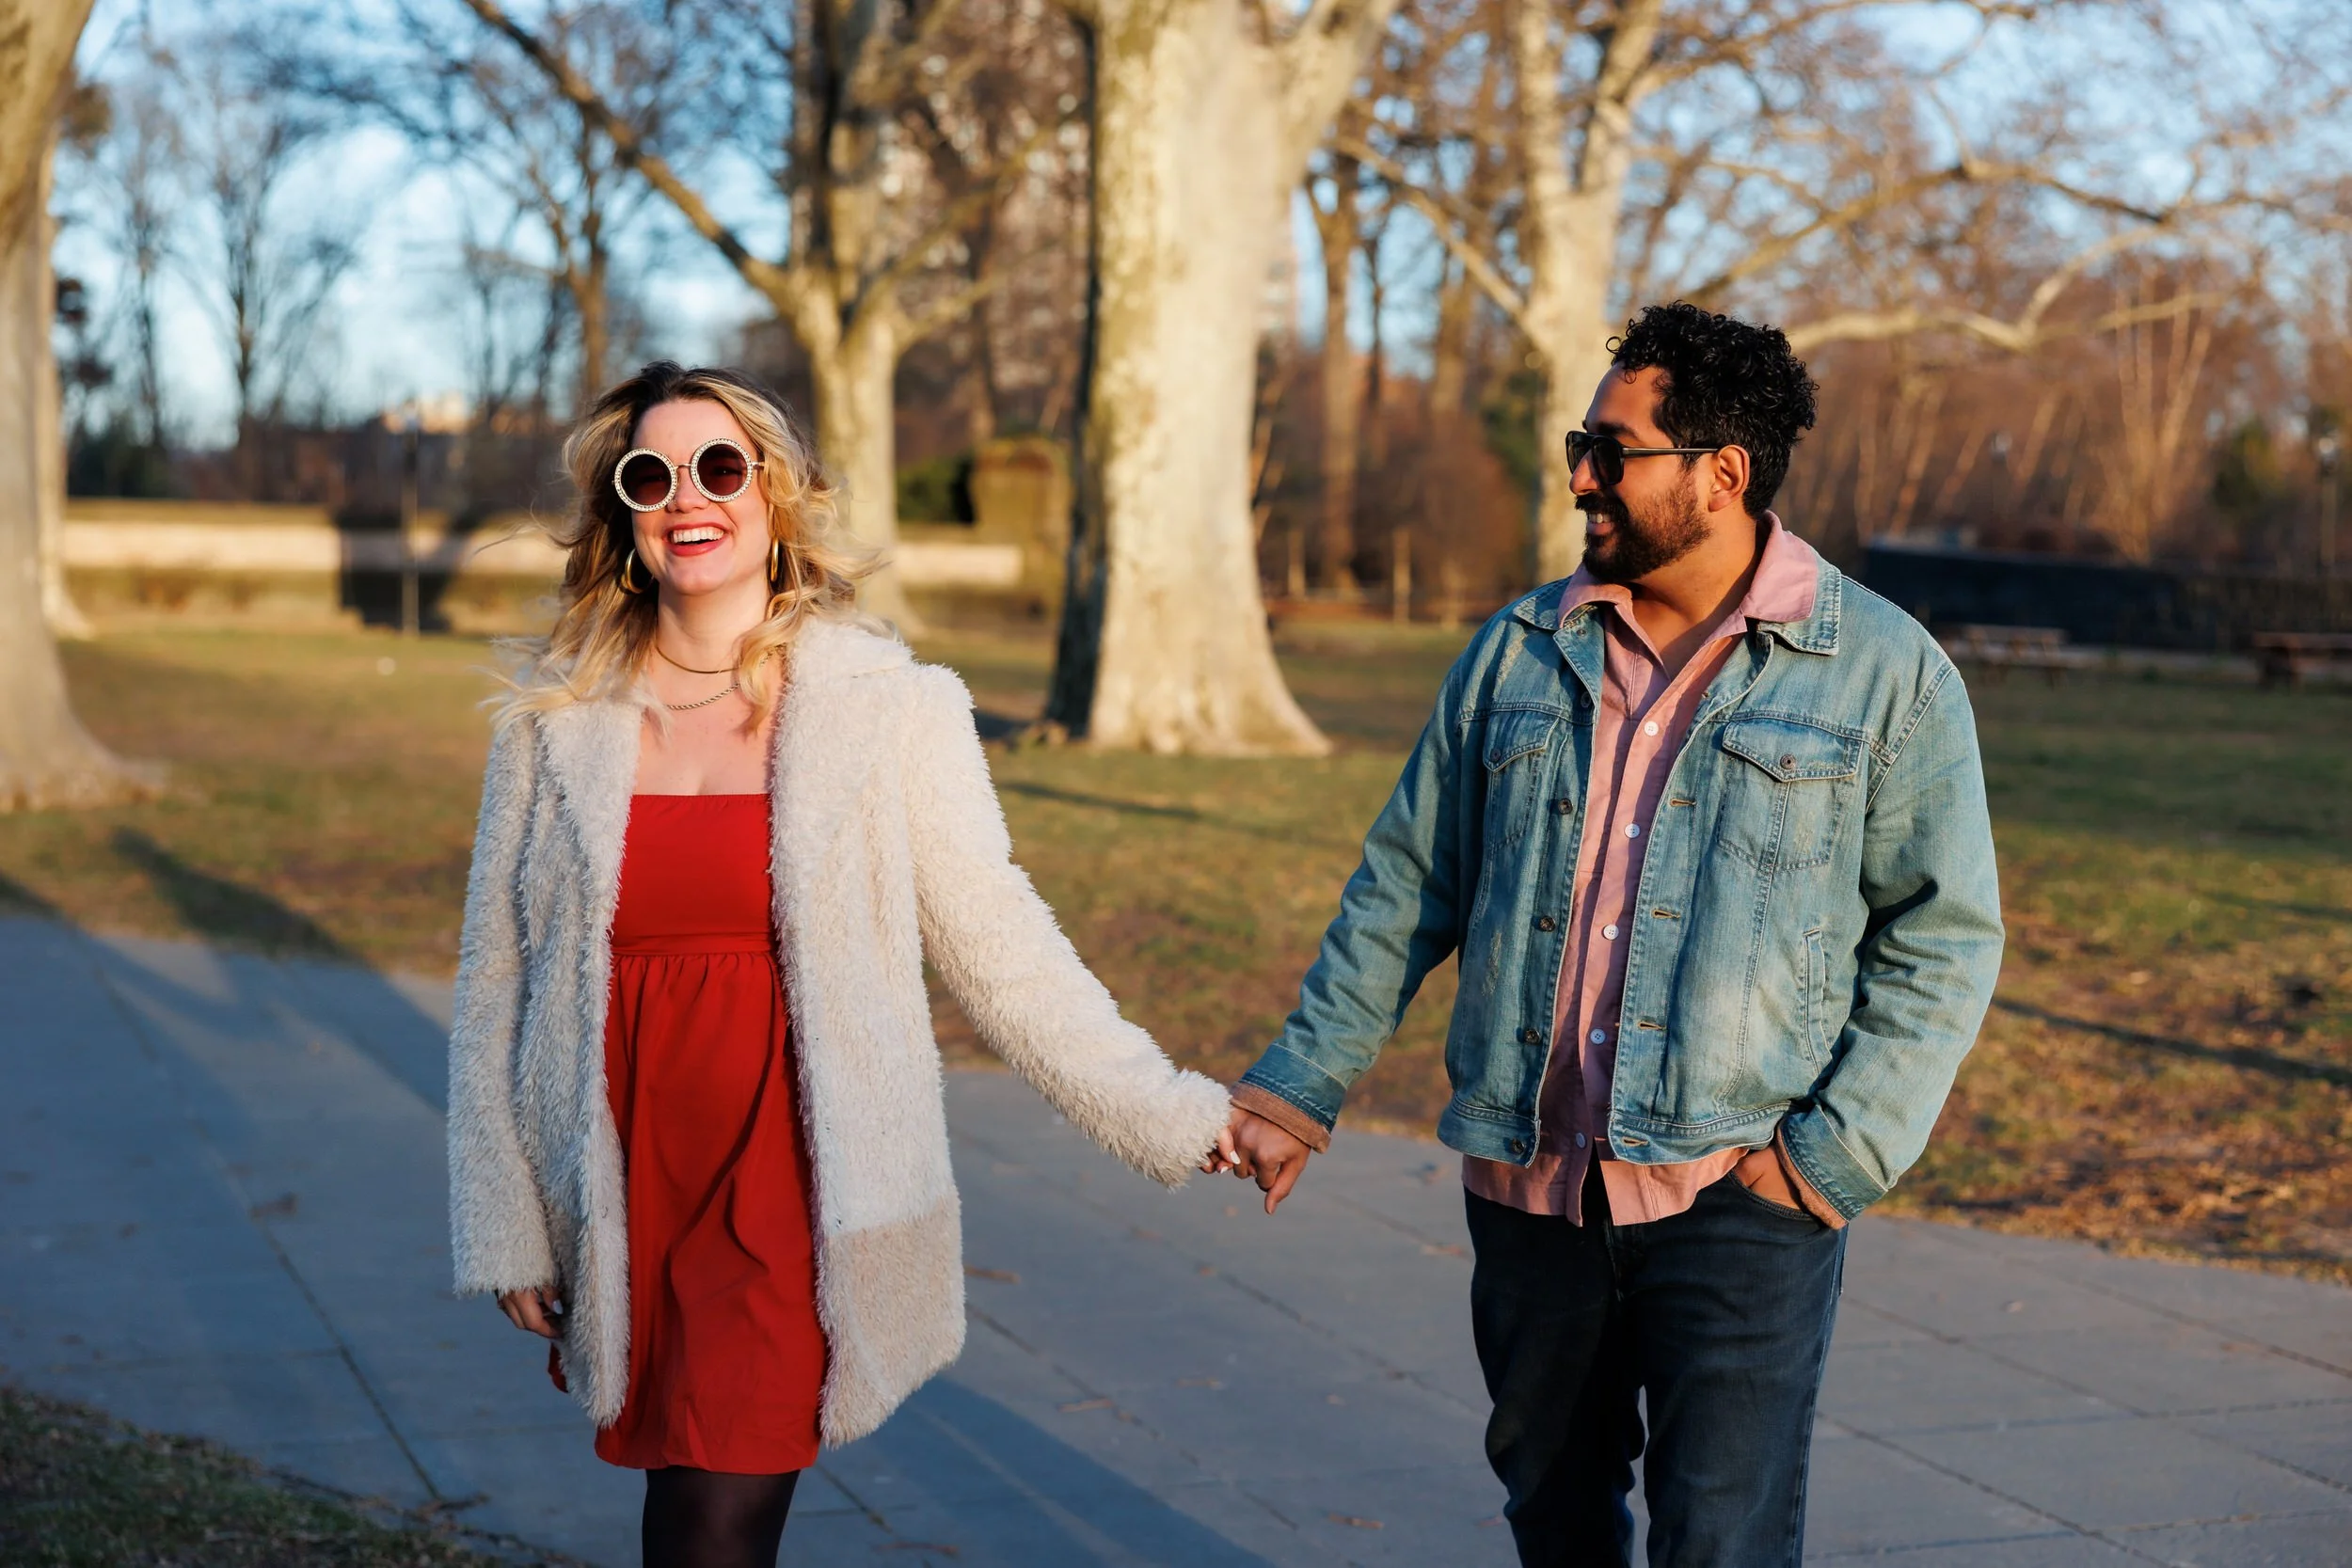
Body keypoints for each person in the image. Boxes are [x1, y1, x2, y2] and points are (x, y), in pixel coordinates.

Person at [1218, 304, 2005, 1567]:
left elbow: (1945, 937)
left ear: (1720, 474)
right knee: (1557, 1523)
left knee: (1723, 1539)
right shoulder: (1521, 647)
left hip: (1741, 1195)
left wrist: (1828, 1159)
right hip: (1532, 1191)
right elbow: (1406, 881)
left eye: (1609, 448)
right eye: (1577, 443)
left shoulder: (1880, 671)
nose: (1580, 473)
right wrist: (1301, 1083)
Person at [445, 361, 1231, 1567]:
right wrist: (505, 1219)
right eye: (649, 475)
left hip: (788, 1177)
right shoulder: (553, 724)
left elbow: (998, 935)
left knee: (717, 1512)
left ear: (777, 491)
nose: (686, 497)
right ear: (623, 516)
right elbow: (495, 978)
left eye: (720, 465)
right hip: (620, 1170)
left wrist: (1170, 1112)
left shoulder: (889, 708)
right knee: (682, 1502)